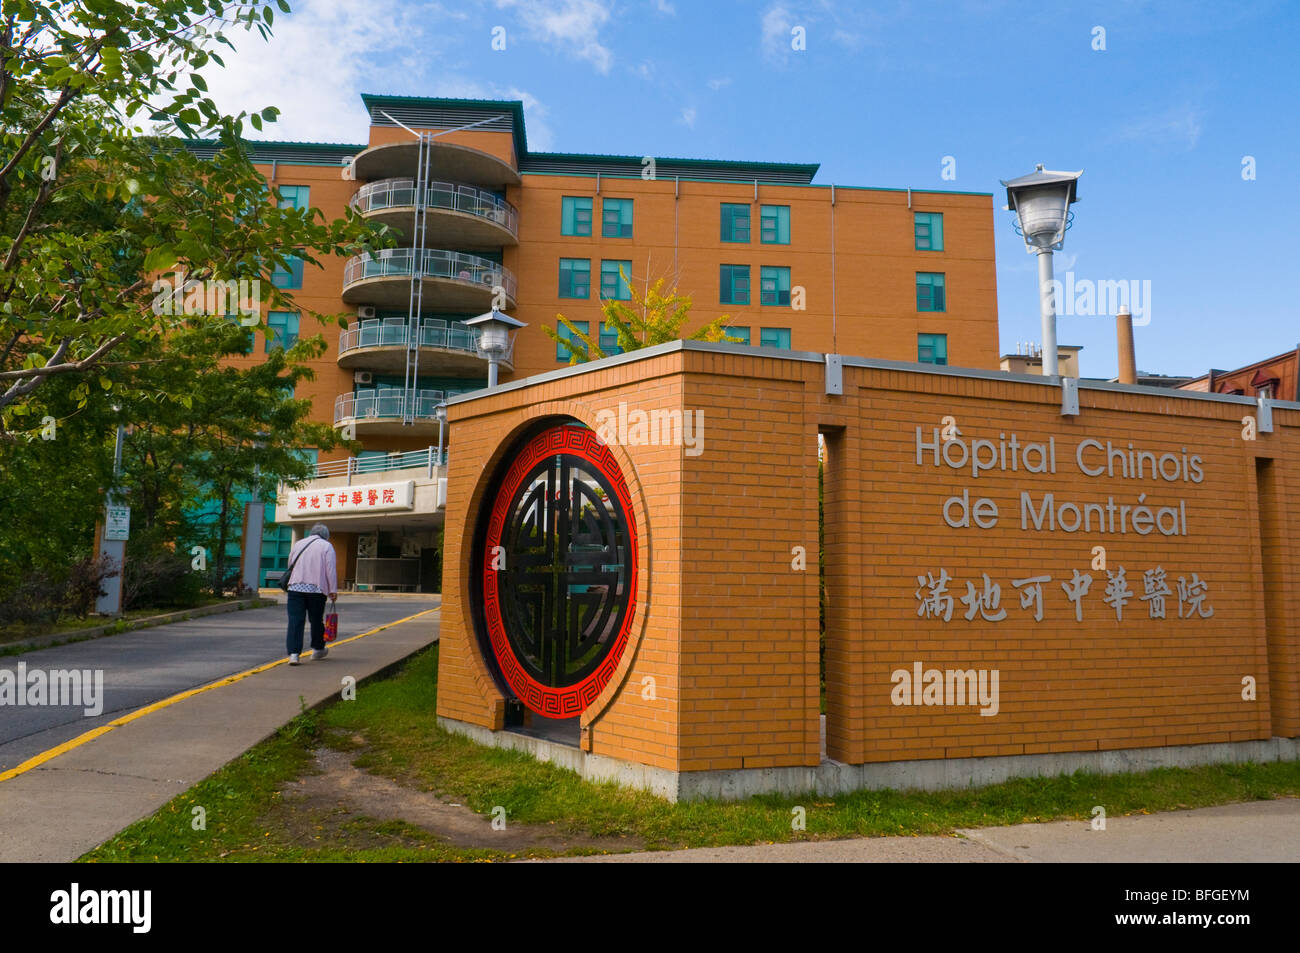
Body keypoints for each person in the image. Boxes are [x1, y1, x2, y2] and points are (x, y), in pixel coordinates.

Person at [284, 523, 338, 665]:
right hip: (316, 589)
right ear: (326, 535)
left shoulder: (298, 544)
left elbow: (290, 563)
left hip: (295, 587)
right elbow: (330, 569)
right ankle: (317, 649)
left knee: (295, 621)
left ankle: (294, 654)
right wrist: (333, 590)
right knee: (315, 619)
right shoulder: (327, 546)